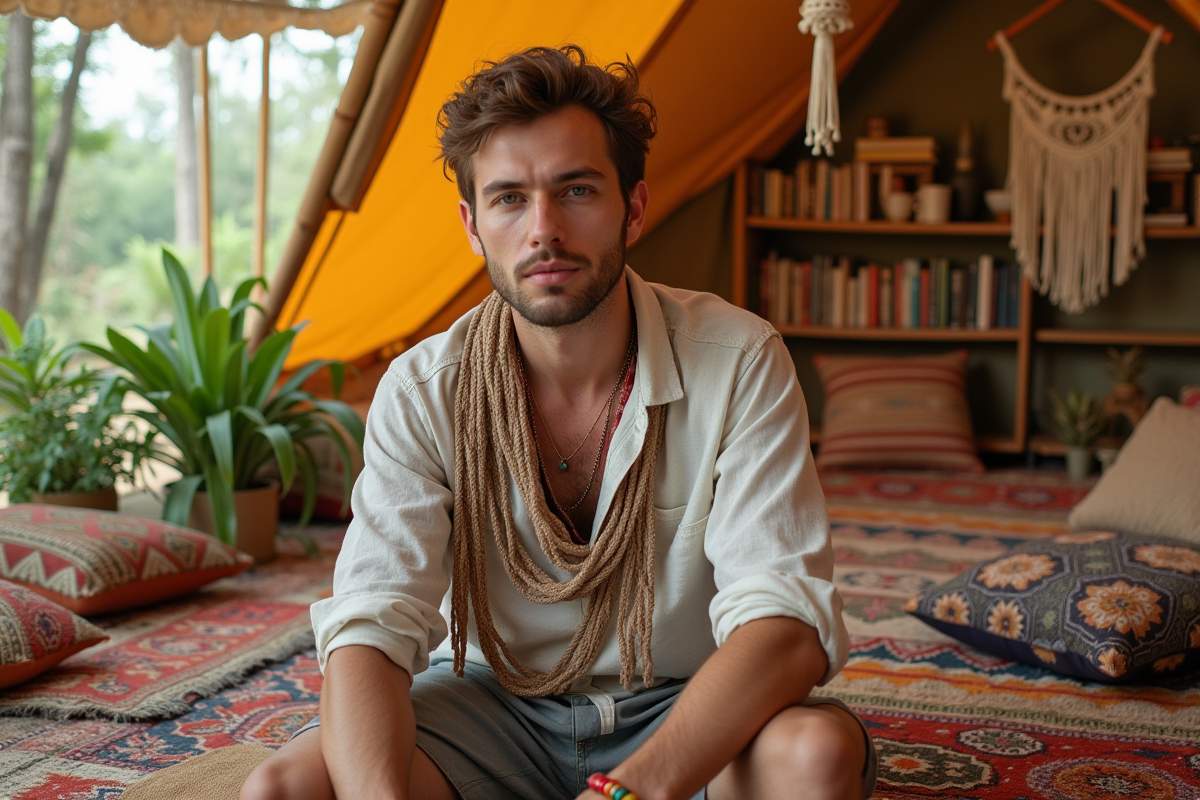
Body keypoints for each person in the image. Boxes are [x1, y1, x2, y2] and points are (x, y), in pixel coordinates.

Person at [242, 45, 877, 800]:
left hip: (682, 698)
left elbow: (785, 622)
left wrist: (626, 792)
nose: (543, 228)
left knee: (813, 757)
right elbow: (370, 628)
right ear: (473, 226)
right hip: (488, 706)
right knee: (284, 789)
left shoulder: (737, 358)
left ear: (632, 208)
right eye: (509, 198)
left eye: (575, 190)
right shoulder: (421, 388)